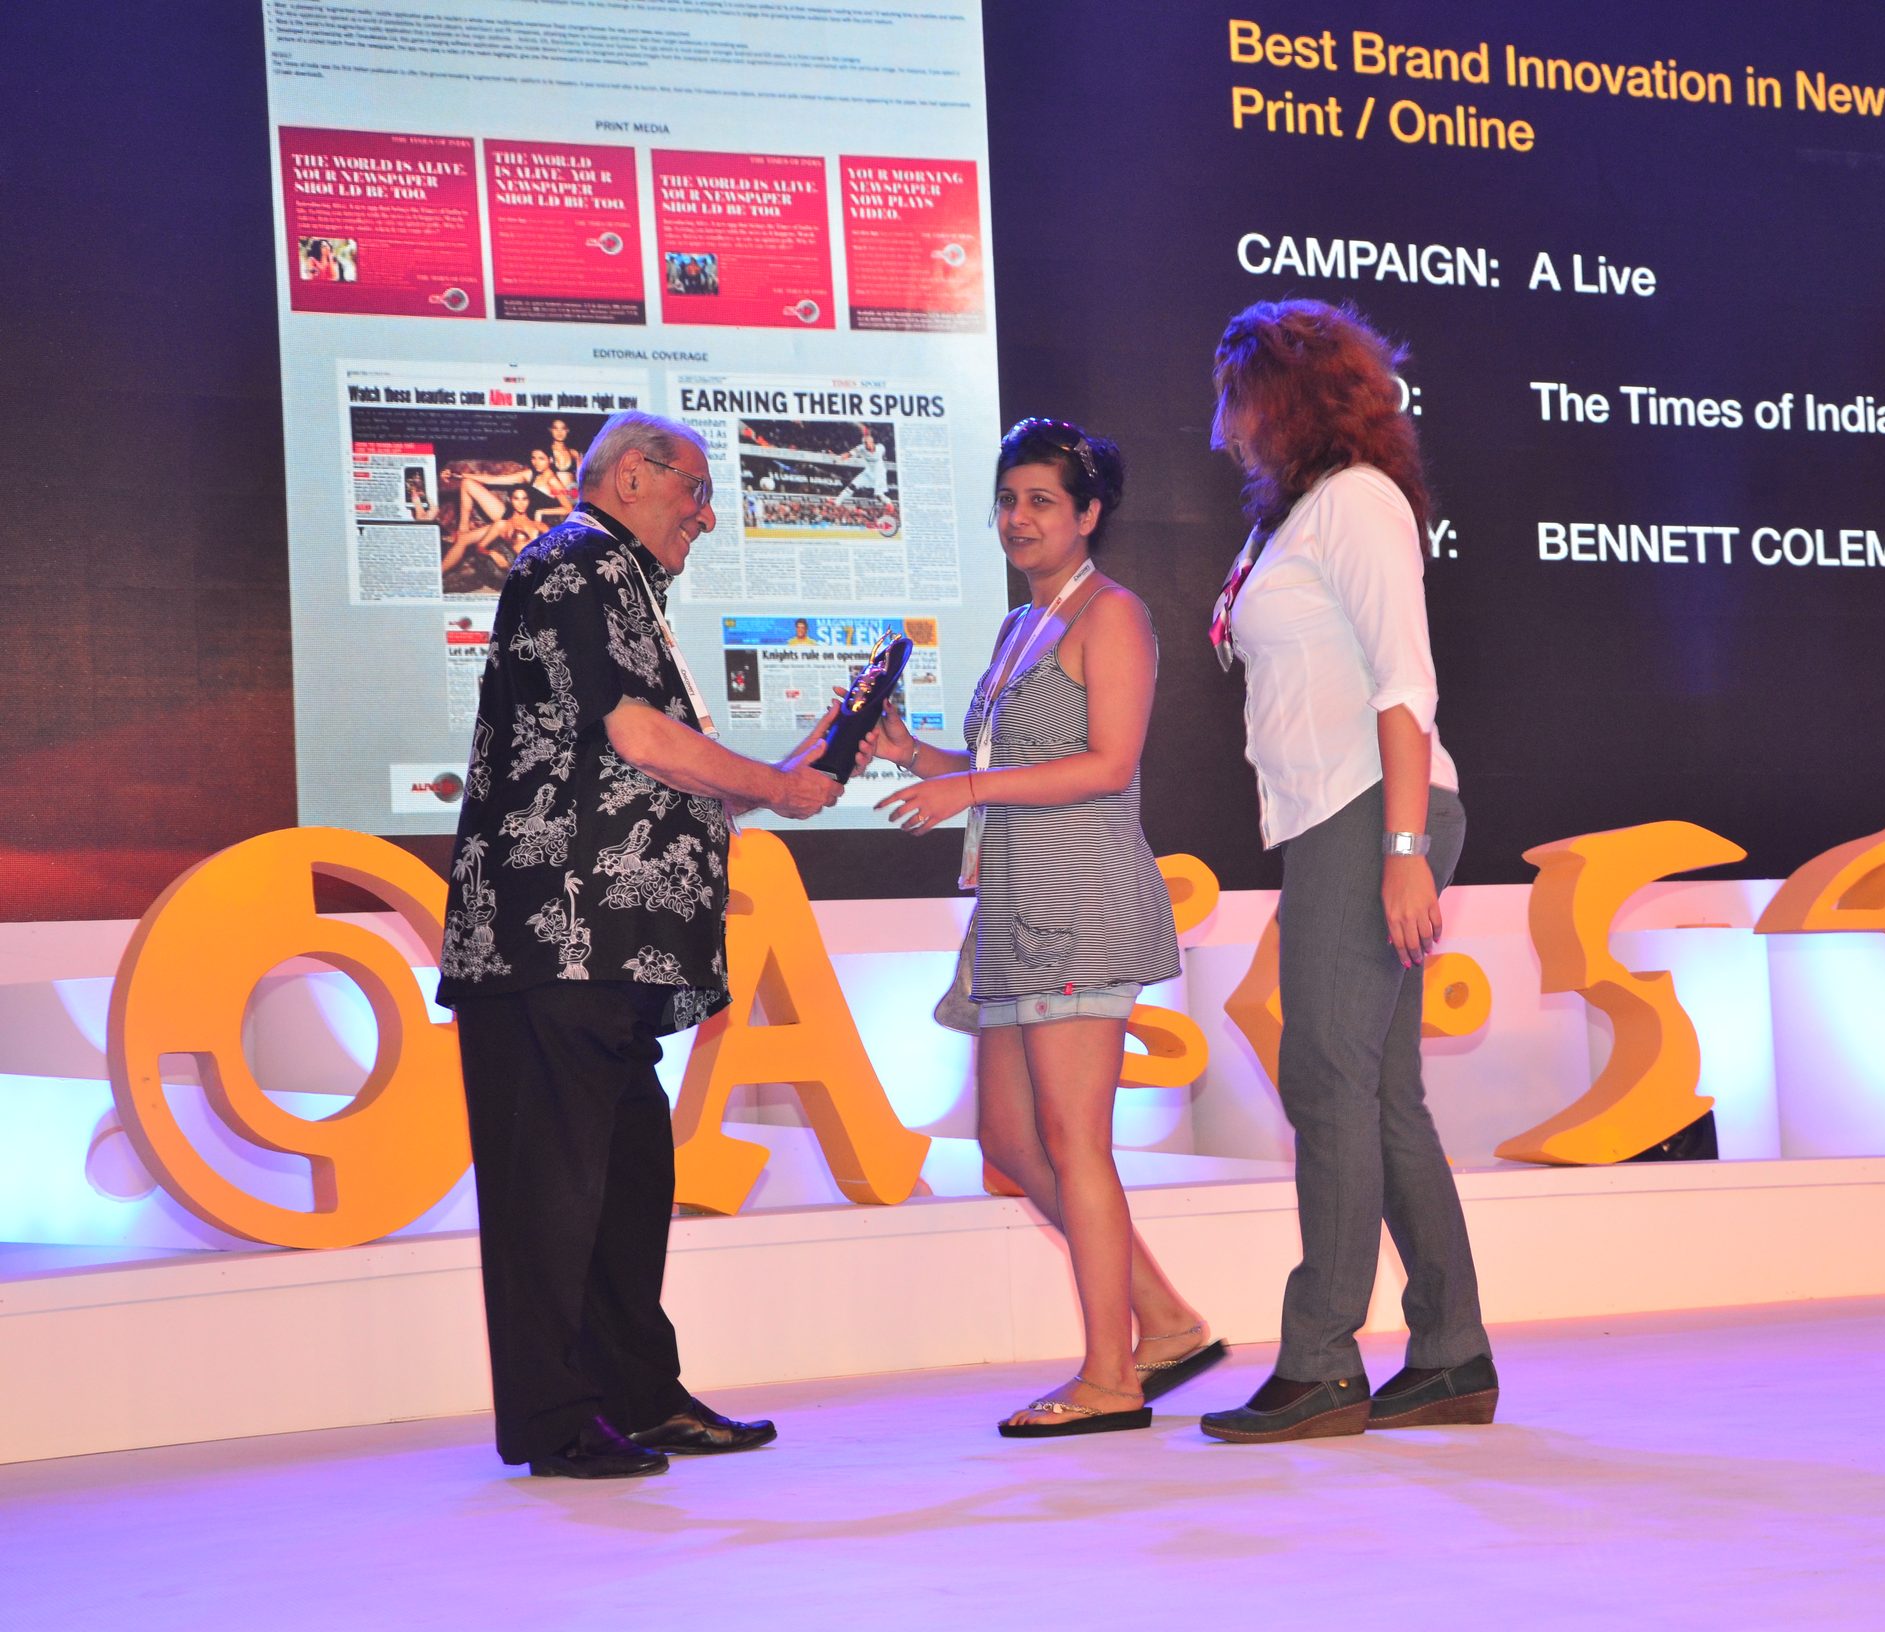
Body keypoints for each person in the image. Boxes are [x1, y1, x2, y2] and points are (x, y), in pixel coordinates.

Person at [435, 410, 853, 1479]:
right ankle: (555, 1420)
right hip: (555, 944)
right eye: (695, 490)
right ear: (630, 477)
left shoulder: (614, 581)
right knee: (552, 1194)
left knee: (622, 1185)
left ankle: (639, 1398)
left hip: (604, 952)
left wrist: (794, 767)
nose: (706, 517)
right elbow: (636, 735)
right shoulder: (579, 563)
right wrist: (777, 787)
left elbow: (660, 772)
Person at [870, 418, 1217, 1438]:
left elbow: (1108, 764)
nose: (1018, 520)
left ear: (1088, 514)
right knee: (1012, 1140)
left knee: (1074, 1145)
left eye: (1042, 503)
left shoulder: (1114, 616)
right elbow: (1008, 765)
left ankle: (1111, 1378)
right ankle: (1164, 1321)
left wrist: (970, 786)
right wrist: (917, 755)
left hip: (1080, 903)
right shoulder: (1021, 622)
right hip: (1015, 907)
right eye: (1008, 501)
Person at [1195, 300, 1498, 1443]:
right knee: (1375, 1091)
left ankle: (1322, 1361)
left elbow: (1404, 681)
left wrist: (1403, 852)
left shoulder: (1358, 502)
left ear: (1290, 398)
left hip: (1373, 812)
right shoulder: (1294, 517)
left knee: (1323, 1076)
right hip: (1334, 815)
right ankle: (1452, 1353)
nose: (1221, 428)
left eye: (1235, 400)